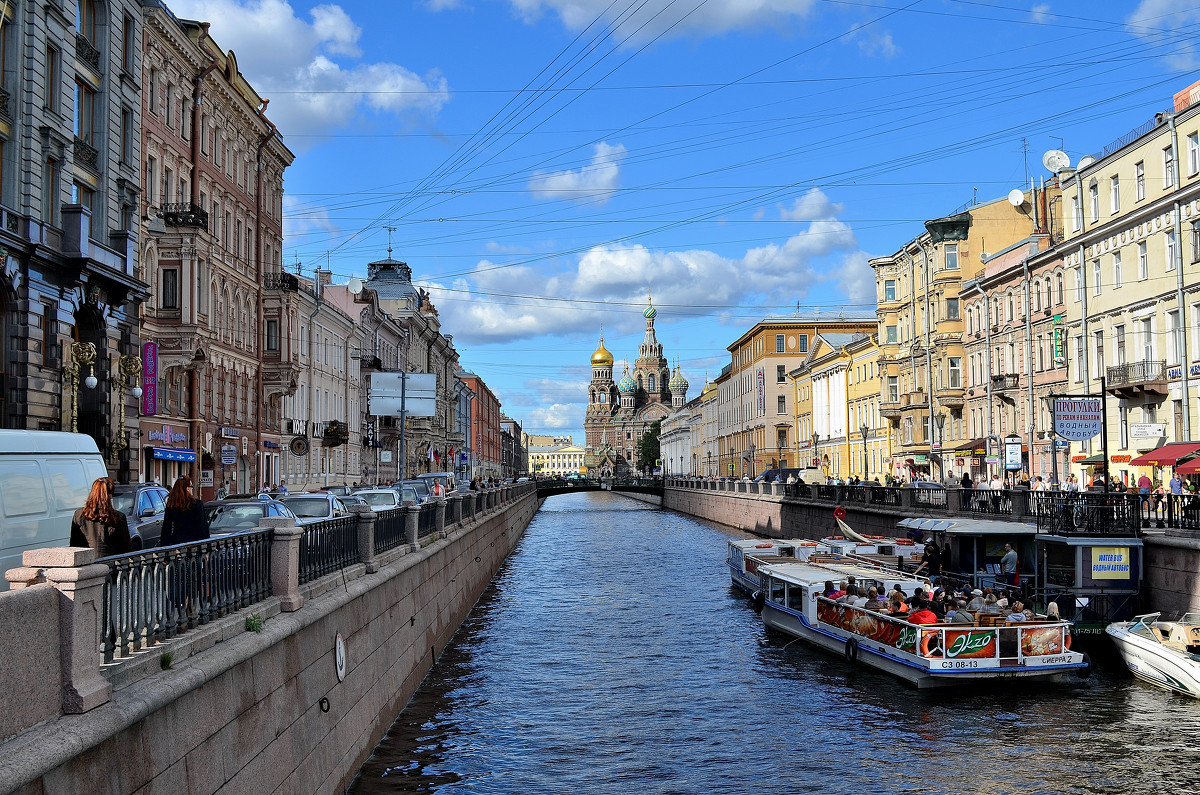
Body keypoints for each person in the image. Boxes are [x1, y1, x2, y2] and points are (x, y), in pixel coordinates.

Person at [70, 477, 131, 558]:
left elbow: (74, 545)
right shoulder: (118, 517)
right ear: (109, 496)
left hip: (86, 563)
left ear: (92, 493)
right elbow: (125, 548)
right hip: (110, 564)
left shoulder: (79, 515)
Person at [161, 476, 210, 546]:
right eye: (191, 486)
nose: (192, 489)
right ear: (187, 488)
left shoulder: (171, 506)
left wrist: (165, 548)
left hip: (177, 544)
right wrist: (206, 548)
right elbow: (203, 526)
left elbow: (166, 529)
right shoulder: (197, 504)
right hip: (194, 544)